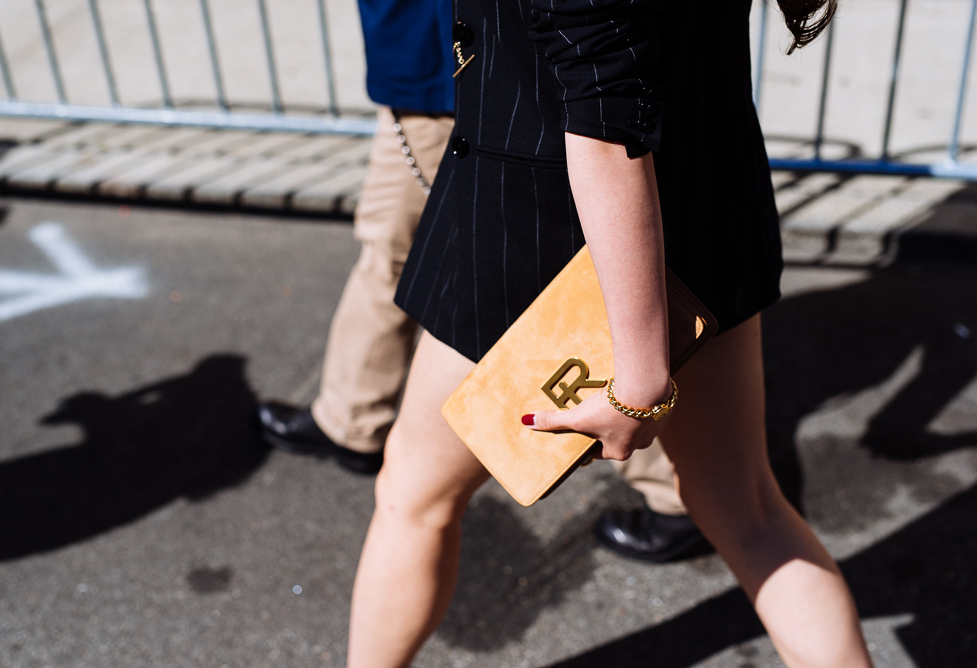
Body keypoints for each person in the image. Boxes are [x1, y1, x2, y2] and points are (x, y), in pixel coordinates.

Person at [345, 0, 875, 665]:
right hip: (707, 203)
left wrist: (640, 380)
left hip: (540, 243)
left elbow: (603, 120)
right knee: (752, 515)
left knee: (412, 498)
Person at [257, 0, 703, 571]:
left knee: (413, 496)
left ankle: (671, 483)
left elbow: (605, 115)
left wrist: (640, 392)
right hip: (453, 67)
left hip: (471, 74)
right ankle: (350, 414)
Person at [256, 0, 455, 473]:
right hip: (440, 68)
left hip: (446, 70)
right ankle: (352, 418)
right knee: (391, 252)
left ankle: (661, 482)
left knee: (567, 276)